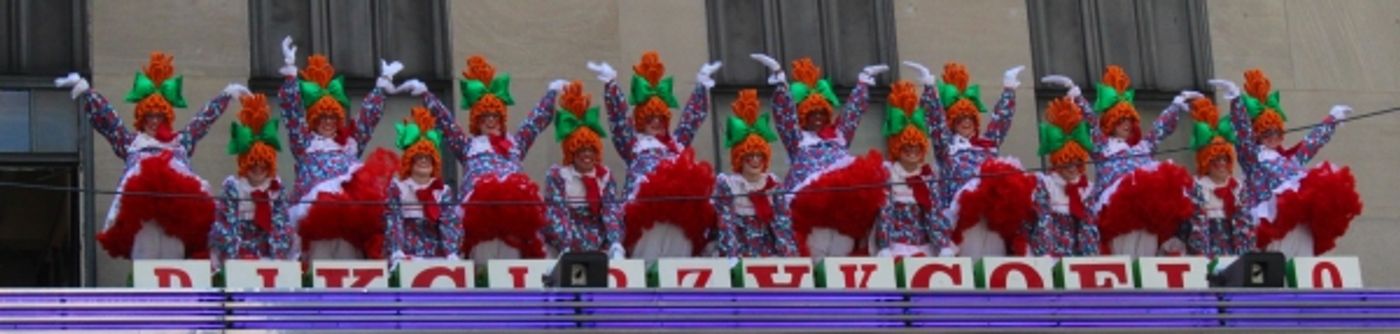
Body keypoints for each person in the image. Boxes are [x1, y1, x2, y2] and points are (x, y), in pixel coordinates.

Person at [56, 52, 244, 259]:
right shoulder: (132, 144)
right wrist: (87, 93)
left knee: (174, 254)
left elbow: (201, 122)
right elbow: (109, 120)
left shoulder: (179, 143)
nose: (154, 121)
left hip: (175, 215)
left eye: (160, 116)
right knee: (146, 257)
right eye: (149, 116)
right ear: (141, 118)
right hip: (143, 216)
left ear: (167, 118)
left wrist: (225, 96)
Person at [398, 56, 564, 262]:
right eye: (485, 118)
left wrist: (552, 93)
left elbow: (534, 122)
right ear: (477, 121)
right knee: (483, 260)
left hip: (513, 212)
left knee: (515, 255)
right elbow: (446, 124)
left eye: (495, 117)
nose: (491, 121)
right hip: (480, 213)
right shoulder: (468, 147)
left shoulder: (515, 144)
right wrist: (426, 94)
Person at [1041, 66, 1198, 256]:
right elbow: (1091, 123)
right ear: (1110, 122)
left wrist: (1176, 104)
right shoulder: (1104, 148)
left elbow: (1159, 130)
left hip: (1144, 218)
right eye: (1121, 120)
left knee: (1145, 260)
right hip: (1116, 218)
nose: (1126, 124)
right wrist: (1076, 93)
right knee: (1122, 262)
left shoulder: (1142, 148)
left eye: (1129, 120)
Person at [1208, 70, 1361, 257]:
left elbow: (1312, 143)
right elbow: (1243, 133)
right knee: (1277, 272)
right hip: (1273, 226)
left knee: (1304, 270)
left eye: (1277, 133)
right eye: (1267, 133)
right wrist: (1236, 99)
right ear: (1258, 135)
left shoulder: (1291, 159)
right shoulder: (1254, 157)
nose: (1273, 137)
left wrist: (1332, 119)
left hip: (1299, 225)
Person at [586, 52, 721, 260]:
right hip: (646, 216)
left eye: (660, 118)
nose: (656, 122)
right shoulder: (634, 145)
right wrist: (611, 85)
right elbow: (619, 120)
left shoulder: (676, 144)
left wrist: (702, 84)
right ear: (641, 120)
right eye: (650, 118)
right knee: (647, 262)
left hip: (678, 217)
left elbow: (691, 120)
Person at [277, 37, 402, 260]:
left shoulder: (350, 144)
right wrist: (290, 74)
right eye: (323, 117)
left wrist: (382, 86)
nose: (328, 122)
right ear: (314, 120)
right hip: (314, 221)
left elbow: (367, 119)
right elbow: (292, 114)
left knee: (347, 266)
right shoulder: (305, 144)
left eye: (333, 117)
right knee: (318, 267)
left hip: (347, 222)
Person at [751, 54, 889, 257]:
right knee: (815, 260)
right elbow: (785, 116)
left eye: (822, 113)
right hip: (809, 212)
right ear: (803, 116)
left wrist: (863, 82)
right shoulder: (798, 140)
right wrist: (780, 80)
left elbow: (852, 114)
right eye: (812, 113)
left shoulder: (839, 137)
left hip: (839, 214)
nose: (818, 118)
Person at [906, 61, 1034, 258]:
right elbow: (936, 121)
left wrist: (1009, 87)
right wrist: (929, 85)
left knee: (993, 265)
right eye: (960, 119)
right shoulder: (948, 147)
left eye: (970, 118)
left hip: (989, 217)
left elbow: (1001, 122)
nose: (966, 122)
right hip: (962, 221)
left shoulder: (987, 145)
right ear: (953, 123)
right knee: (968, 263)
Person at [540, 81, 626, 258]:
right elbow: (556, 213)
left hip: (598, 245)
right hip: (564, 245)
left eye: (591, 149)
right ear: (571, 152)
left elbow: (610, 213)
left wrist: (615, 243)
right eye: (581, 149)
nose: (587, 155)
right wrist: (566, 245)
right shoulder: (559, 176)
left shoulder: (605, 177)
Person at [710, 89, 800, 257]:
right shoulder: (729, 185)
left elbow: (783, 225)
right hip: (740, 256)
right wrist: (731, 259)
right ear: (739, 159)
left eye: (759, 156)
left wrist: (790, 258)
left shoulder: (773, 185)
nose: (755, 161)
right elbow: (726, 225)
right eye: (749, 156)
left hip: (769, 256)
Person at [210, 93, 296, 268]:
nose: (258, 168)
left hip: (269, 260)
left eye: (263, 164)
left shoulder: (276, 189)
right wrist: (235, 261)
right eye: (253, 163)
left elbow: (281, 227)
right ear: (244, 165)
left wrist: (275, 261)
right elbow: (226, 226)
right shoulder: (233, 188)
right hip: (237, 258)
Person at [871, 80, 945, 257]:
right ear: (898, 149)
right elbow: (885, 214)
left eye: (916, 147)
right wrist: (884, 246)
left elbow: (934, 214)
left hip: (925, 248)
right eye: (907, 147)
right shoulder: (889, 175)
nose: (912, 152)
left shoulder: (928, 177)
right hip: (897, 247)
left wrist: (942, 245)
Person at [383, 107, 462, 262]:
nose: (424, 161)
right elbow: (394, 221)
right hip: (408, 256)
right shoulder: (399, 189)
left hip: (437, 257)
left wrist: (451, 252)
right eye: (419, 157)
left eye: (428, 157)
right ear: (409, 162)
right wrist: (396, 251)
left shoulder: (442, 191)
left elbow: (449, 223)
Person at [1028, 96, 1100, 256]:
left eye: (1077, 163)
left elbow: (1089, 230)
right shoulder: (1045, 185)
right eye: (1067, 162)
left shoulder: (1087, 189)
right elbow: (1042, 224)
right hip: (1049, 258)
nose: (1072, 168)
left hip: (1078, 264)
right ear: (1057, 162)